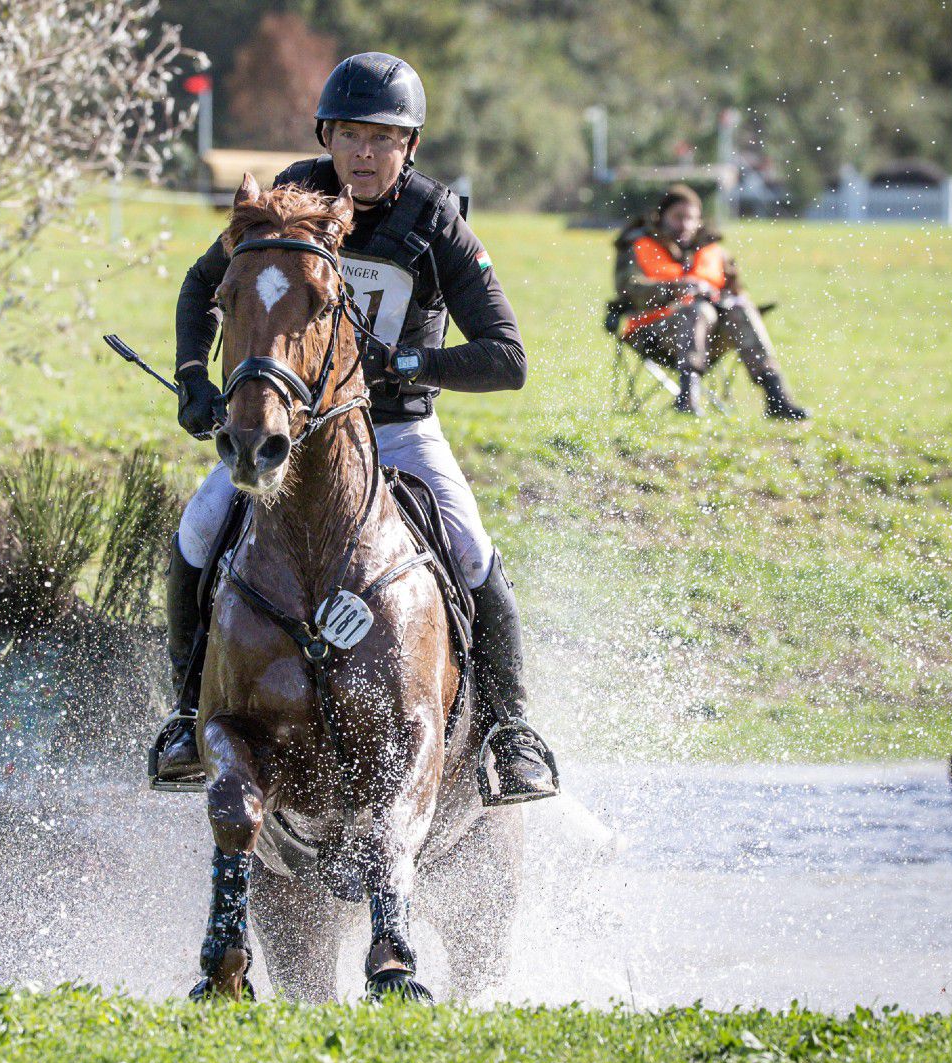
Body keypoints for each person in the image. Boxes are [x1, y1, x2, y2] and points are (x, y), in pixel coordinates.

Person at [148, 51, 558, 805]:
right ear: (326, 138)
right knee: (199, 532)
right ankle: (184, 715)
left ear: (409, 147)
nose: (363, 156)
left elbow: (508, 359)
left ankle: (512, 732)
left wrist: (402, 361)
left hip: (397, 432)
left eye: (383, 139)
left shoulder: (436, 220)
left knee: (470, 551)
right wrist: (193, 377)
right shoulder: (289, 198)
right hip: (292, 433)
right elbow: (207, 283)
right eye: (349, 137)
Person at [612, 185, 810, 419]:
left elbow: (736, 291)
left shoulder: (714, 251)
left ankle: (777, 398)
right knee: (698, 310)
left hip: (711, 336)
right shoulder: (638, 246)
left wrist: (721, 298)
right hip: (655, 335)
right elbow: (628, 290)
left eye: (691, 218)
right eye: (678, 217)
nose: (685, 224)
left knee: (740, 308)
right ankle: (687, 399)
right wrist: (676, 288)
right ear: (661, 216)